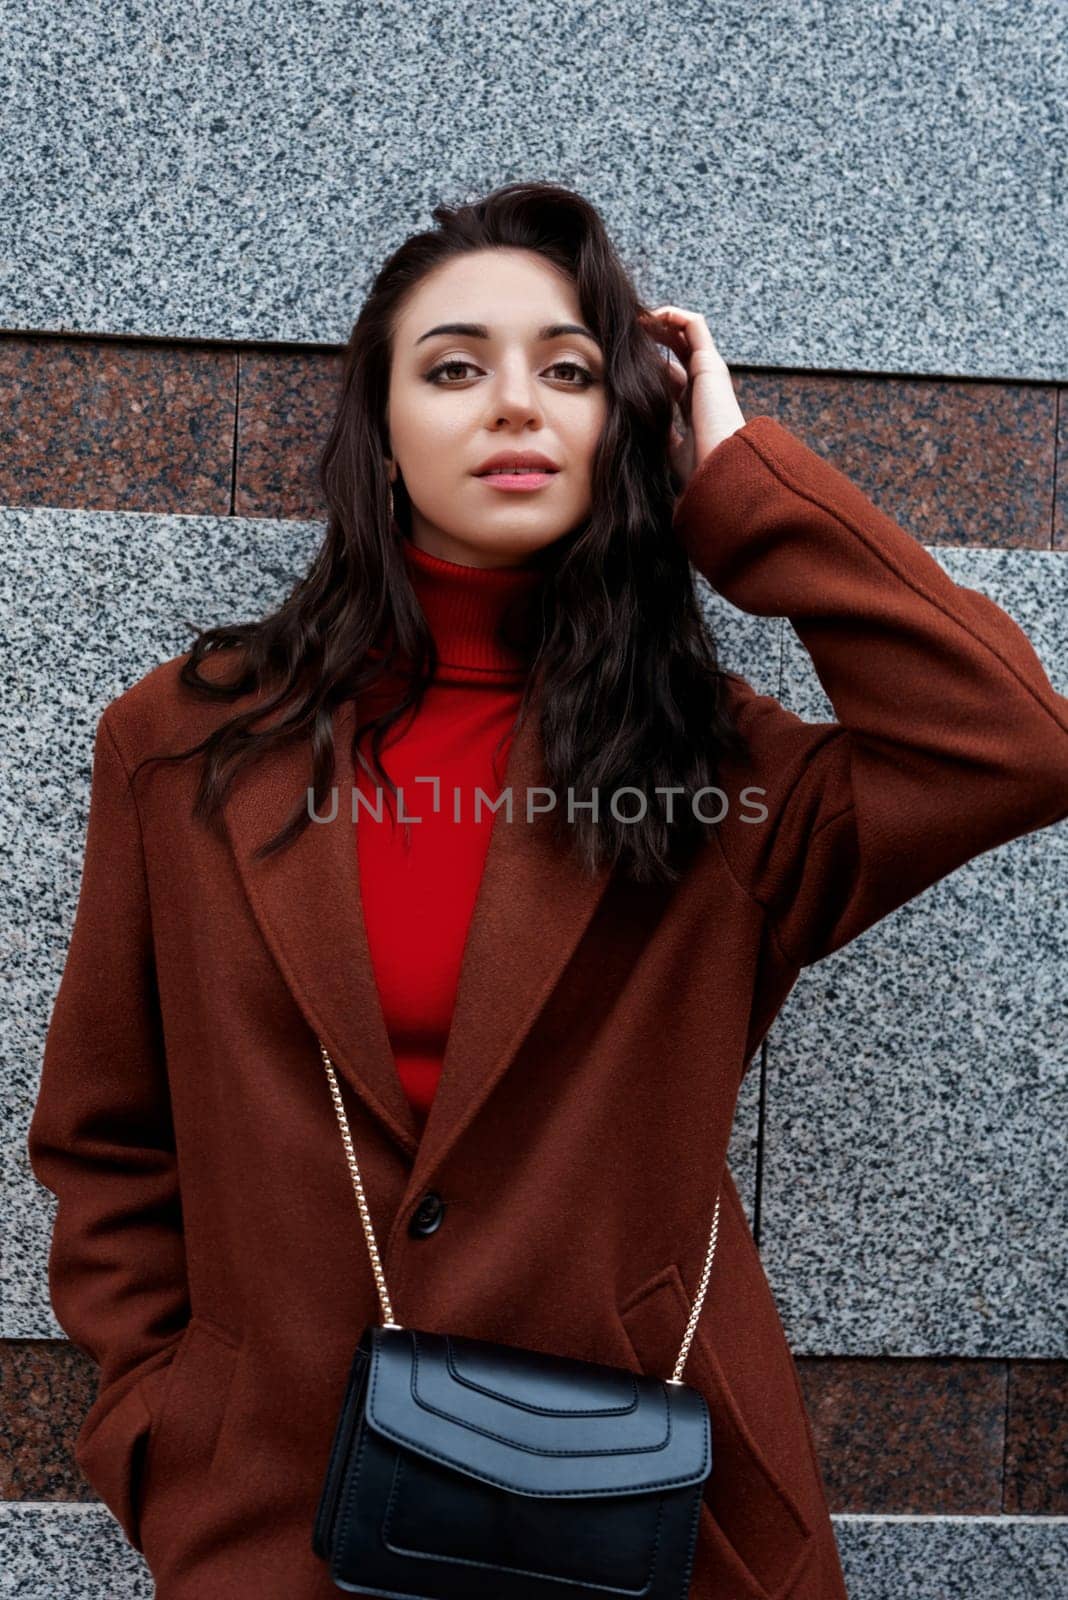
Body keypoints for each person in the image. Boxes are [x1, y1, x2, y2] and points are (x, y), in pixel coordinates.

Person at [27, 180, 1068, 1600]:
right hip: (280, 1525)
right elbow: (108, 1141)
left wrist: (741, 477)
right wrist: (170, 1434)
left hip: (658, 1526)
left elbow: (1012, 744)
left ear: (621, 425)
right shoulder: (186, 743)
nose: (513, 405)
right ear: (380, 429)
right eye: (453, 368)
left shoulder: (718, 769)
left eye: (570, 371)